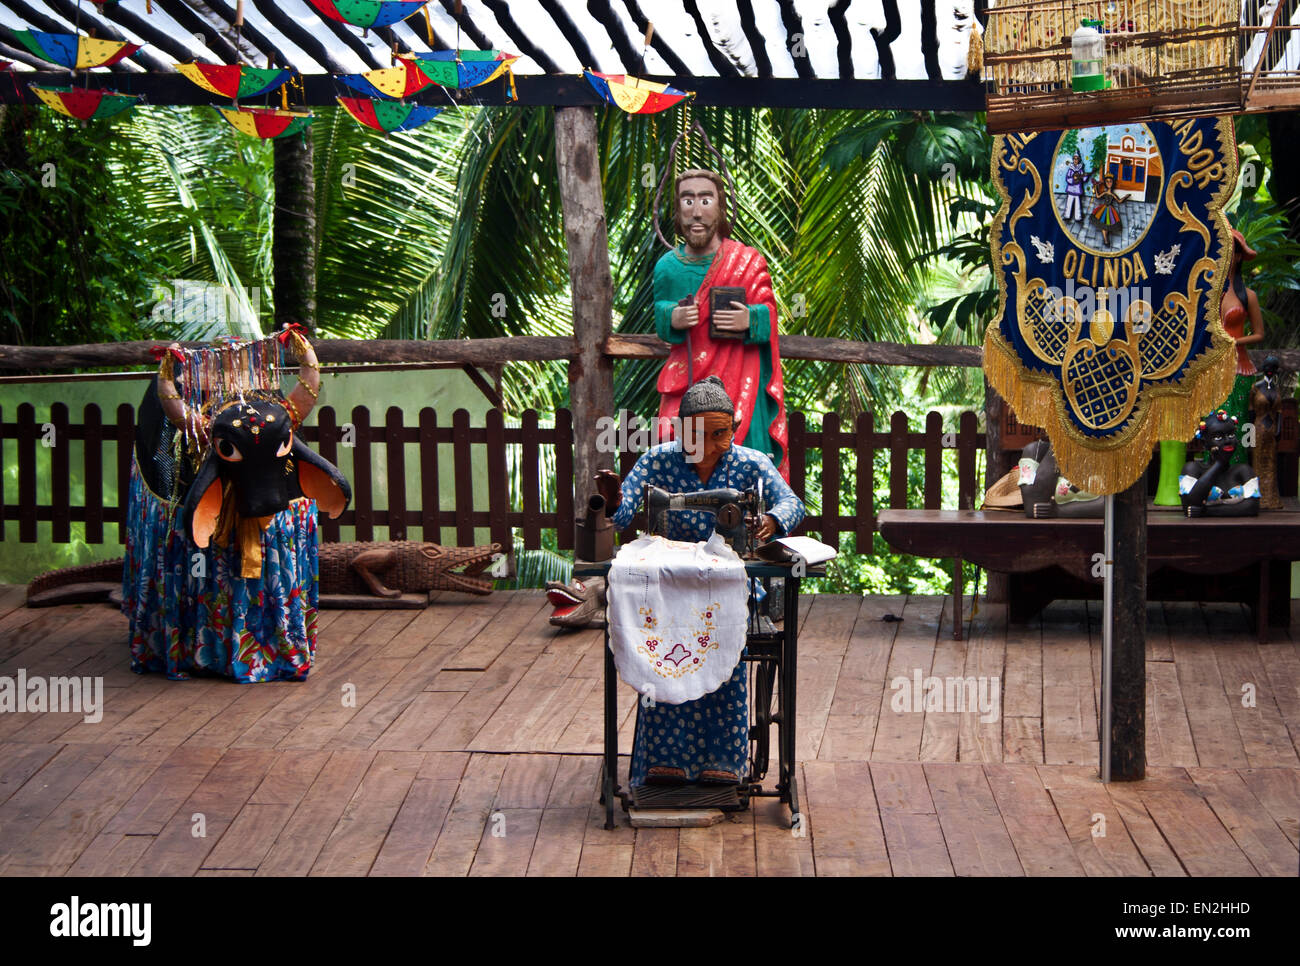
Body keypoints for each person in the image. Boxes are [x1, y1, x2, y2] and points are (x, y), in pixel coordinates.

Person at [595, 376, 805, 788]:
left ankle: (722, 762)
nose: (709, 446)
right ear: (680, 430)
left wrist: (770, 521)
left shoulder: (750, 463)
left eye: (720, 434)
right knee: (662, 658)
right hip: (666, 592)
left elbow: (792, 503)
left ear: (735, 426)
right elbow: (621, 518)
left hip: (729, 591)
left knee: (724, 658)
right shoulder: (657, 461)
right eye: (698, 436)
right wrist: (616, 499)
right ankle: (665, 762)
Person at [123, 328, 348, 682]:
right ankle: (212, 648)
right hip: (210, 497)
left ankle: (257, 643)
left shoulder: (276, 423)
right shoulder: (185, 425)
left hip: (272, 489)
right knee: (198, 557)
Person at [653, 168, 790, 481]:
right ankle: (683, 524)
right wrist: (672, 316)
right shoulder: (668, 267)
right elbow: (660, 313)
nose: (696, 211)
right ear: (677, 210)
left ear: (721, 206)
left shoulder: (748, 261)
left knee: (748, 463)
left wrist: (750, 319)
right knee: (676, 453)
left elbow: (768, 314)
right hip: (687, 380)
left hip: (743, 381)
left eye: (705, 199)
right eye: (687, 201)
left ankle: (753, 525)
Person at [1218, 229, 1264, 465]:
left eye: (1231, 251)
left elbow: (1259, 334)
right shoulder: (1208, 294)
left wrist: (1234, 342)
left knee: (1241, 420)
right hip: (1213, 369)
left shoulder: (1249, 296)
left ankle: (1240, 471)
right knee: (1215, 421)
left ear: (1237, 257)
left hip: (1240, 368)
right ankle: (1214, 470)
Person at [1090, 173, 1126, 248]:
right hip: (1103, 209)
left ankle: (1106, 239)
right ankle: (1106, 239)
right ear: (1105, 183)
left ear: (1113, 183)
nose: (1109, 183)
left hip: (1110, 209)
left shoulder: (1113, 194)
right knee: (1103, 224)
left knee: (1108, 223)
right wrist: (1096, 187)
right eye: (1107, 181)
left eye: (1110, 181)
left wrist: (1125, 197)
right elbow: (1098, 196)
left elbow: (1119, 201)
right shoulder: (1105, 192)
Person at [1062, 152, 1089, 223]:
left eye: (1077, 159)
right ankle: (1067, 216)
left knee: (1077, 204)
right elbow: (1067, 178)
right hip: (1071, 189)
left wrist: (1085, 176)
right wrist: (1073, 180)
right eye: (1074, 159)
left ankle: (1078, 217)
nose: (1075, 160)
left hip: (1077, 190)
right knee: (1069, 202)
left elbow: (1084, 179)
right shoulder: (1070, 170)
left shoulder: (1080, 170)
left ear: (1079, 160)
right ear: (1073, 159)